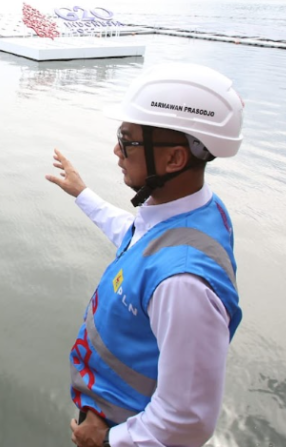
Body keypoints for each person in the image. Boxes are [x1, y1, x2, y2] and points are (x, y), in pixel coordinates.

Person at [46, 62, 245, 447]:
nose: (117, 150)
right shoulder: (196, 211)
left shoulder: (184, 285)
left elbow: (187, 420)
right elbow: (139, 238)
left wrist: (109, 440)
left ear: (174, 160)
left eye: (129, 140)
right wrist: (83, 195)